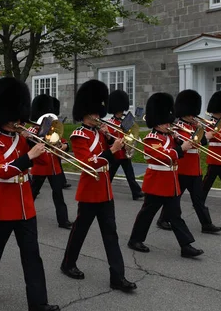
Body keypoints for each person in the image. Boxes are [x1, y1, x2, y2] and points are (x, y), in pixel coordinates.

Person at [0, 77, 59, 311]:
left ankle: (38, 303)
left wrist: (40, 142)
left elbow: (43, 160)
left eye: (18, 117)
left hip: (25, 206)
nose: (15, 122)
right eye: (11, 119)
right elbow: (1, 171)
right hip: (2, 207)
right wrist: (27, 156)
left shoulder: (23, 136)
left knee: (32, 256)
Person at [60, 80, 136, 292]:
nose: (98, 117)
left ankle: (118, 277)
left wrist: (119, 143)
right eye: (94, 113)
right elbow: (87, 163)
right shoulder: (78, 135)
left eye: (98, 113)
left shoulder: (103, 133)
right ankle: (68, 263)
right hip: (89, 190)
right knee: (80, 231)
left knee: (111, 233)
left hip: (105, 189)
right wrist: (111, 150)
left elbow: (121, 155)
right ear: (85, 113)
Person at [127, 92, 203, 259]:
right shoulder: (151, 138)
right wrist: (180, 148)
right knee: (147, 213)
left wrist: (179, 141)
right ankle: (135, 239)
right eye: (164, 122)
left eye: (169, 121)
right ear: (156, 122)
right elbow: (162, 156)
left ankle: (186, 246)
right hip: (157, 183)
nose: (168, 124)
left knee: (175, 216)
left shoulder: (170, 136)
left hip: (171, 182)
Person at [156, 90, 221, 234]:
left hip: (194, 169)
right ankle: (162, 219)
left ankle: (206, 224)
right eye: (191, 113)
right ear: (184, 111)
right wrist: (206, 135)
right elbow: (192, 142)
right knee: (174, 198)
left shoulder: (193, 125)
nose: (193, 116)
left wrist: (202, 129)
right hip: (183, 168)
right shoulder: (178, 127)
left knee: (198, 199)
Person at [28, 94, 72, 229]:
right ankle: (24, 215)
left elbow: (62, 141)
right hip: (40, 166)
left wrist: (65, 146)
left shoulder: (53, 127)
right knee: (32, 194)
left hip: (54, 167)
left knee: (58, 195)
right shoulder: (32, 130)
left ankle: (63, 221)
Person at [105, 89, 144, 200]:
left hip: (125, 153)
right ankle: (104, 190)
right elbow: (110, 139)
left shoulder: (127, 121)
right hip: (116, 153)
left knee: (130, 175)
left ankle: (136, 192)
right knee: (110, 175)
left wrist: (131, 142)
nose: (121, 112)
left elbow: (132, 133)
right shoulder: (110, 123)